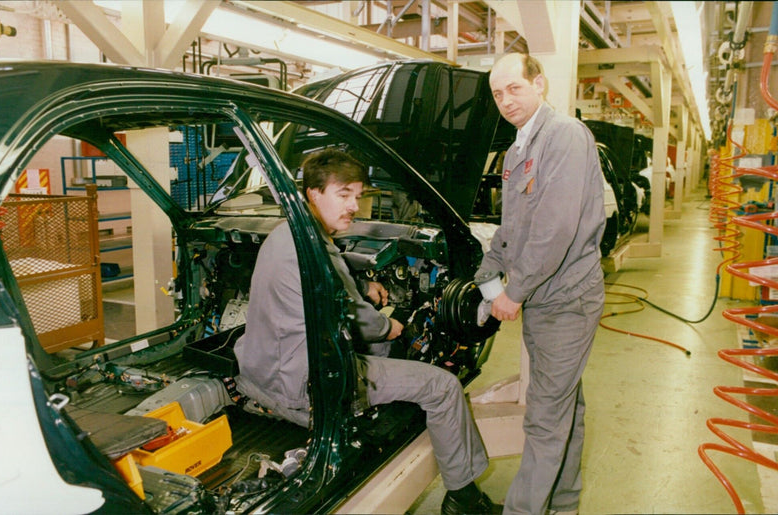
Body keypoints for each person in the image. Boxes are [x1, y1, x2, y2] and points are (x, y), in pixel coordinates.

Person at [233, 148, 501, 514]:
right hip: (302, 391)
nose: (354, 206)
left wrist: (360, 287)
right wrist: (390, 325)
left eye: (357, 196)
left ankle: (387, 415)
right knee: (443, 387)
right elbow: (362, 322)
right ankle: (465, 500)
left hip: (258, 374)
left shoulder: (287, 235)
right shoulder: (316, 250)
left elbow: (323, 290)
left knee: (379, 355)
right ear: (313, 193)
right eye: (343, 194)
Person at [476, 53, 606, 514]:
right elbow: (513, 225)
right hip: (546, 299)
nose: (506, 100)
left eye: (514, 88)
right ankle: (564, 503)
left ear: (540, 84)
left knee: (546, 419)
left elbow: (554, 229)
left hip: (567, 298)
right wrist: (489, 266)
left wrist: (514, 291)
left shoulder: (565, 136)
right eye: (497, 93)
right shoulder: (516, 148)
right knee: (565, 405)